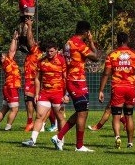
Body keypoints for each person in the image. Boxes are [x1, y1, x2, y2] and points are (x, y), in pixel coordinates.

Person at [51, 21, 99, 152]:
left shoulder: (68, 42)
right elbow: (96, 57)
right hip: (77, 81)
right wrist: (91, 42)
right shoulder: (79, 44)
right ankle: (79, 146)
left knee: (81, 112)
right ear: (86, 32)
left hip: (71, 80)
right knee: (83, 113)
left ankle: (59, 137)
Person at [98, 32, 135, 149]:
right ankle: (130, 142)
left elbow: (106, 74)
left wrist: (101, 90)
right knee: (129, 115)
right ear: (127, 40)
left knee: (116, 115)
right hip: (130, 88)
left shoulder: (112, 55)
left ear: (117, 41)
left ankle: (118, 137)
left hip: (117, 88)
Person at [22, 42, 68, 147]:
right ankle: (32, 140)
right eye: (47, 51)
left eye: (51, 51)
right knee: (39, 116)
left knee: (60, 117)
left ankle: (60, 141)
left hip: (58, 93)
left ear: (56, 50)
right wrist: (37, 93)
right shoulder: (41, 62)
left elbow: (66, 78)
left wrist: (66, 94)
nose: (49, 53)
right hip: (45, 93)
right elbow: (37, 79)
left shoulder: (62, 61)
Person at [0, 31, 21, 131]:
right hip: (11, 87)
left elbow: (12, 51)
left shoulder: (6, 63)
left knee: (5, 107)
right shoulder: (7, 61)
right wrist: (14, 38)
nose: (5, 54)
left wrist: (16, 40)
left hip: (7, 87)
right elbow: (12, 50)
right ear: (2, 59)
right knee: (15, 108)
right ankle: (8, 127)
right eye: (3, 55)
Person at [22, 18, 43, 131]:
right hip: (31, 79)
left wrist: (29, 26)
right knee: (31, 101)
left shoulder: (36, 51)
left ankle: (34, 123)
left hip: (32, 80)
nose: (34, 42)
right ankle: (34, 123)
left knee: (31, 101)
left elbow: (30, 40)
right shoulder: (35, 53)